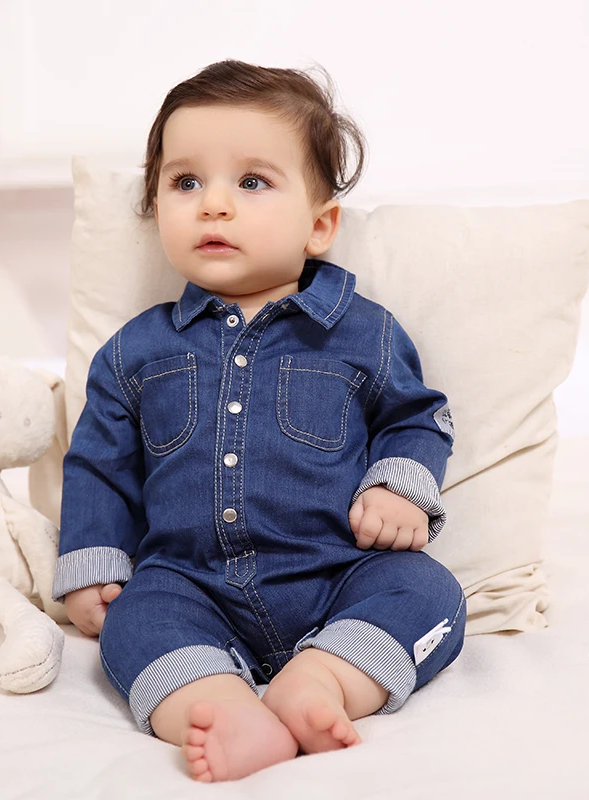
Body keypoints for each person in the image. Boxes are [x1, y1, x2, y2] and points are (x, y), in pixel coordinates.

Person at [52, 59, 465, 783]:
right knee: (135, 623)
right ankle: (220, 705)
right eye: (185, 183)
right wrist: (94, 564)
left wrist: (399, 487)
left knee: (430, 592)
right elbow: (98, 464)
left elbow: (417, 416)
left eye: (251, 182)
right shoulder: (134, 351)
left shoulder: (362, 332)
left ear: (320, 225)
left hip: (339, 570)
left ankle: (324, 679)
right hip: (190, 581)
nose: (213, 204)